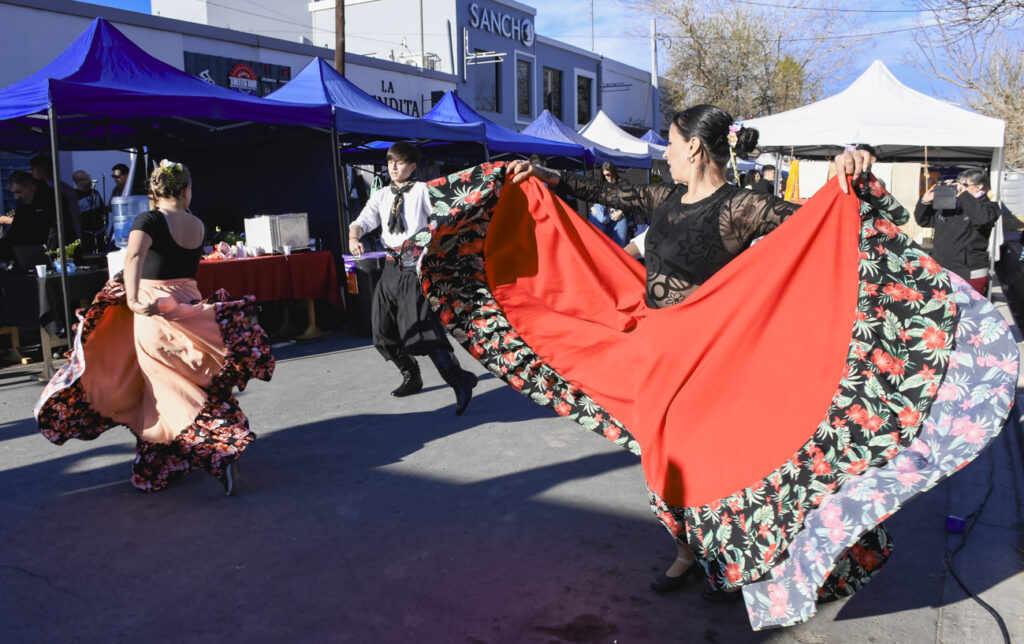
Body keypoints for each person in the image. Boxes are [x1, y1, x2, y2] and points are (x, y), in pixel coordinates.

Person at [413, 103, 1013, 628]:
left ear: (696, 147)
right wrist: (546, 175)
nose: (665, 153)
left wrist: (846, 174)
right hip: (657, 348)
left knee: (710, 458)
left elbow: (819, 223)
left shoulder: (740, 207)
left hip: (712, 355)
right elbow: (602, 193)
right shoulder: (664, 197)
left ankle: (726, 557)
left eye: (671, 143)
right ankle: (691, 550)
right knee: (663, 458)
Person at [35, 160, 275, 495]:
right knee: (183, 386)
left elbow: (133, 257)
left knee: (166, 391)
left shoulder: (148, 220)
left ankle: (219, 448)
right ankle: (166, 459)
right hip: (189, 310)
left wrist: (133, 298)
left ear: (154, 191)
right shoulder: (197, 223)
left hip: (154, 312)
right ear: (186, 190)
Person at [348, 141, 477, 415]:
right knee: (381, 331)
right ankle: (411, 375)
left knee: (421, 329)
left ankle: (458, 379)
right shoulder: (382, 195)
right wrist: (353, 237)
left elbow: (447, 215)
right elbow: (363, 220)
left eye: (400, 162)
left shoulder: (423, 191)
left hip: (415, 266)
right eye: (390, 161)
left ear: (413, 166)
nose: (394, 167)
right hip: (390, 266)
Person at [914, 168, 1000, 294]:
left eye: (965, 185)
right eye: (958, 184)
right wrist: (925, 201)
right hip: (941, 269)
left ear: (979, 186)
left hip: (968, 271)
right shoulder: (949, 205)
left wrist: (963, 195)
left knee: (968, 306)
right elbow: (924, 221)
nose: (959, 188)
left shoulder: (989, 207)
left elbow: (982, 219)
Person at [0, 171, 59, 260]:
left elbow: (55, 231)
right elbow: (15, 231)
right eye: (14, 193)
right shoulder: (22, 204)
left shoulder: (50, 199)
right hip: (28, 254)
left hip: (48, 255)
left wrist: (50, 256)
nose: (16, 197)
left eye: (19, 192)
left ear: (30, 186)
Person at [30, 155, 81, 241]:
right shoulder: (65, 189)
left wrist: (78, 236)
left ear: (41, 169)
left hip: (62, 235)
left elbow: (75, 215)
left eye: (33, 169)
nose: (32, 173)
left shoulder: (62, 190)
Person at [588, 162, 629, 247]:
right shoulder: (603, 184)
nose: (606, 177)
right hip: (605, 217)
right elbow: (594, 198)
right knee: (606, 247)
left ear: (613, 172)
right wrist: (592, 208)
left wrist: (620, 212)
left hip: (619, 217)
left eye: (608, 174)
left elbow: (630, 201)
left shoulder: (623, 183)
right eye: (604, 175)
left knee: (618, 247)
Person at [72, 170, 107, 253]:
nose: (89, 180)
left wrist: (105, 227)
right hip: (85, 236)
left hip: (100, 234)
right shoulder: (74, 197)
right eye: (86, 179)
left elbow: (103, 210)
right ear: (78, 182)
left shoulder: (95, 193)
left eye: (89, 177)